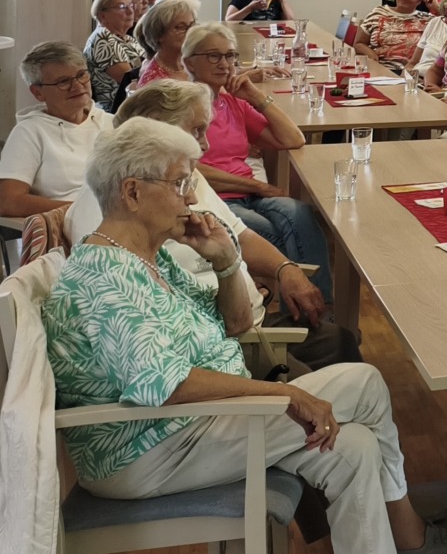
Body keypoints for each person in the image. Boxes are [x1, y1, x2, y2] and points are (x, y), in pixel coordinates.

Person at [42, 118, 447, 554]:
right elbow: (163, 386)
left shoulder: (152, 254)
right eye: (181, 182)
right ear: (132, 191)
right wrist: (284, 393)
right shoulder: (106, 275)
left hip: (192, 430)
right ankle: (409, 537)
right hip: (147, 448)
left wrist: (225, 260)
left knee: (351, 448)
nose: (192, 196)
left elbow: (235, 325)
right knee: (367, 383)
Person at [67, 80, 354, 374]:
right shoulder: (113, 222)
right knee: (351, 380)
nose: (205, 144)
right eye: (196, 130)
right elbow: (160, 368)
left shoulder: (178, 181)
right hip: (226, 345)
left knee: (343, 347)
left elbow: (239, 235)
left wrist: (282, 269)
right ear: (152, 129)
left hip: (239, 323)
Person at [180, 22, 333, 297]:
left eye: (230, 56)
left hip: (249, 195)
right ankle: (314, 313)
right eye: (214, 56)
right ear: (190, 62)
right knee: (284, 236)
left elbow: (293, 139)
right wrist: (258, 187)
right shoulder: (183, 107)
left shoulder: (232, 103)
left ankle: (311, 315)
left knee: (301, 214)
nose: (224, 64)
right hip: (212, 201)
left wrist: (255, 95)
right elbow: (191, 168)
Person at [0, 42, 116, 217]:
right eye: (63, 82)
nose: (77, 86)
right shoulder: (30, 131)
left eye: (81, 75)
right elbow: (9, 202)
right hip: (70, 227)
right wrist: (82, 211)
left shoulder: (111, 123)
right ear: (38, 93)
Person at [84, 0, 143, 110]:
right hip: (116, 109)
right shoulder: (102, 37)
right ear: (103, 15)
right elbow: (129, 80)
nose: (130, 11)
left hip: (134, 103)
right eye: (122, 7)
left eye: (131, 6)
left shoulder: (128, 39)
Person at [359, 0, 432, 65]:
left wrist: (437, 7)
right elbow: (359, 43)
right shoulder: (378, 13)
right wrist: (371, 54)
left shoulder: (428, 20)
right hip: (381, 67)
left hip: (411, 72)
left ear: (420, 0)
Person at [135, 0, 199, 85]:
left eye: (192, 25)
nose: (190, 31)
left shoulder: (196, 64)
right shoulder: (153, 81)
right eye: (181, 27)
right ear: (159, 34)